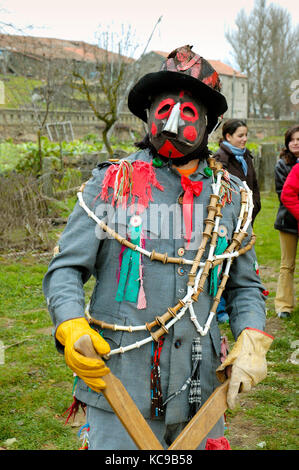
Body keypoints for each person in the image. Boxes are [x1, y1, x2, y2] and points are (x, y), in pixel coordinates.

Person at [43, 45, 273, 450]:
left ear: (209, 122)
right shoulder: (110, 184)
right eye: (164, 107)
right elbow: (66, 269)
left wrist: (251, 338)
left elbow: (244, 287)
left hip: (201, 394)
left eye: (187, 112)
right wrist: (70, 323)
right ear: (147, 113)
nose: (171, 121)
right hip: (118, 386)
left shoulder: (232, 197)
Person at [213, 119, 261, 224]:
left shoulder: (246, 156)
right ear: (228, 136)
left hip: (249, 215)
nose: (245, 139)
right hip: (229, 218)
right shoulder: (220, 159)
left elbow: (254, 184)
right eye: (240, 136)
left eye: (246, 135)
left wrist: (255, 205)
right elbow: (219, 191)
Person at [274, 125, 299, 319]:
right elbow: (284, 194)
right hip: (288, 220)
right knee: (287, 264)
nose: (295, 143)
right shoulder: (282, 164)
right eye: (292, 140)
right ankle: (284, 304)